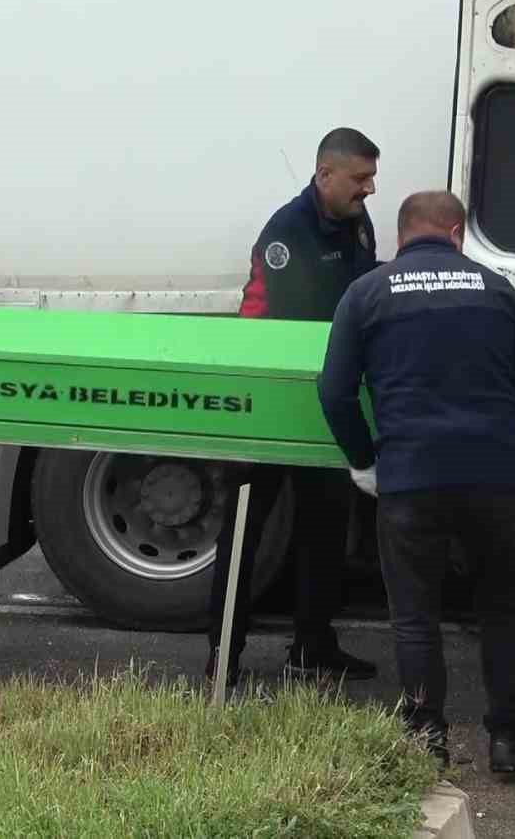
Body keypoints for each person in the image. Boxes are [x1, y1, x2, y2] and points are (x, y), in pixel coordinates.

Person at [316, 190, 515, 772]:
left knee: (415, 613)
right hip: (493, 474)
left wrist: (363, 459)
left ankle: (426, 738)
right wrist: (499, 425)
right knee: (500, 606)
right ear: (456, 234)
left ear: (402, 237)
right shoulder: (496, 290)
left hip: (410, 476)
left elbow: (334, 391)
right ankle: (509, 739)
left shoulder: (367, 293)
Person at [207, 127, 383, 690]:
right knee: (244, 534)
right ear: (325, 175)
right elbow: (293, 321)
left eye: (371, 177)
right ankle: (222, 661)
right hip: (270, 401)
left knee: (327, 531)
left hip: (322, 400)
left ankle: (312, 648)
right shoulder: (287, 231)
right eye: (360, 178)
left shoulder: (356, 222)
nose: (370, 189)